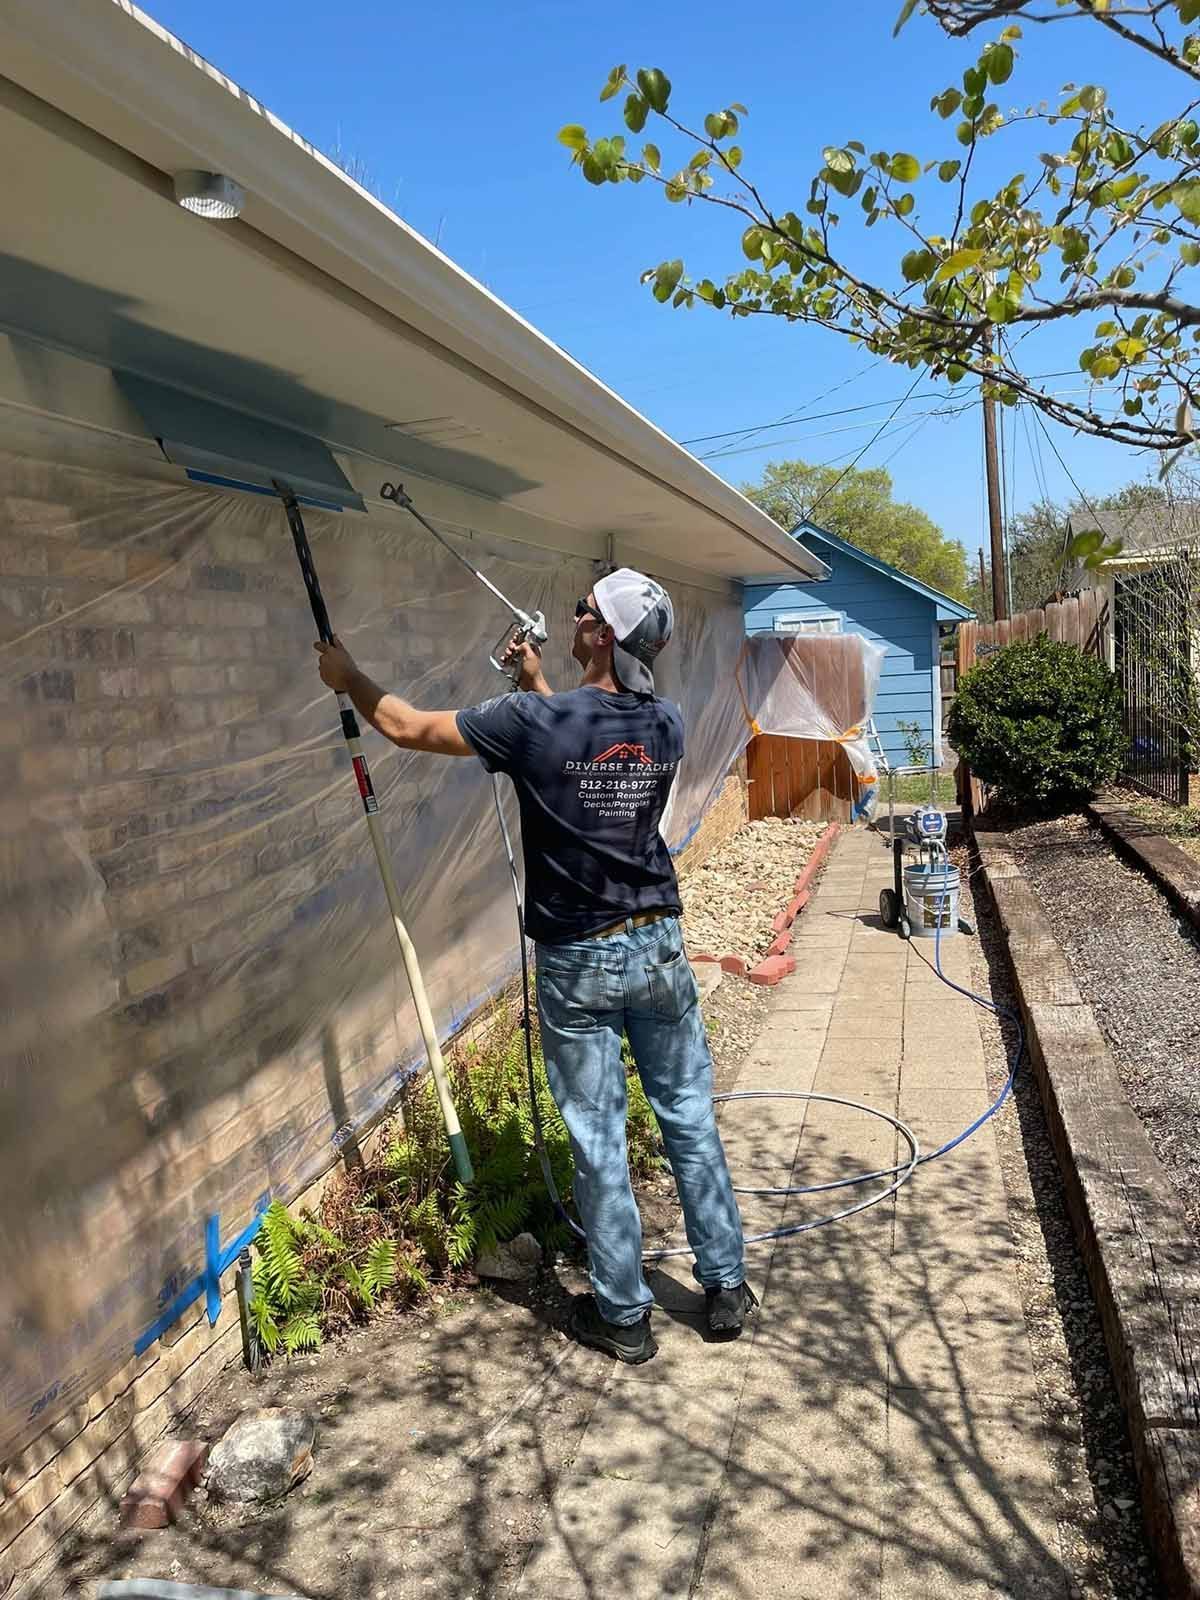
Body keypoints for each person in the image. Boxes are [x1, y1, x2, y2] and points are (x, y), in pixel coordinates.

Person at [315, 567, 756, 1363]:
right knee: (688, 1116)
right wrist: (541, 682)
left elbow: (411, 727)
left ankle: (624, 1320)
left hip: (580, 959)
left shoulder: (528, 722)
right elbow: (595, 745)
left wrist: (348, 677)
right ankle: (725, 1287)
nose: (574, 614)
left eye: (584, 610)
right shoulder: (669, 723)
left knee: (598, 1138)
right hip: (657, 943)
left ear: (601, 635)